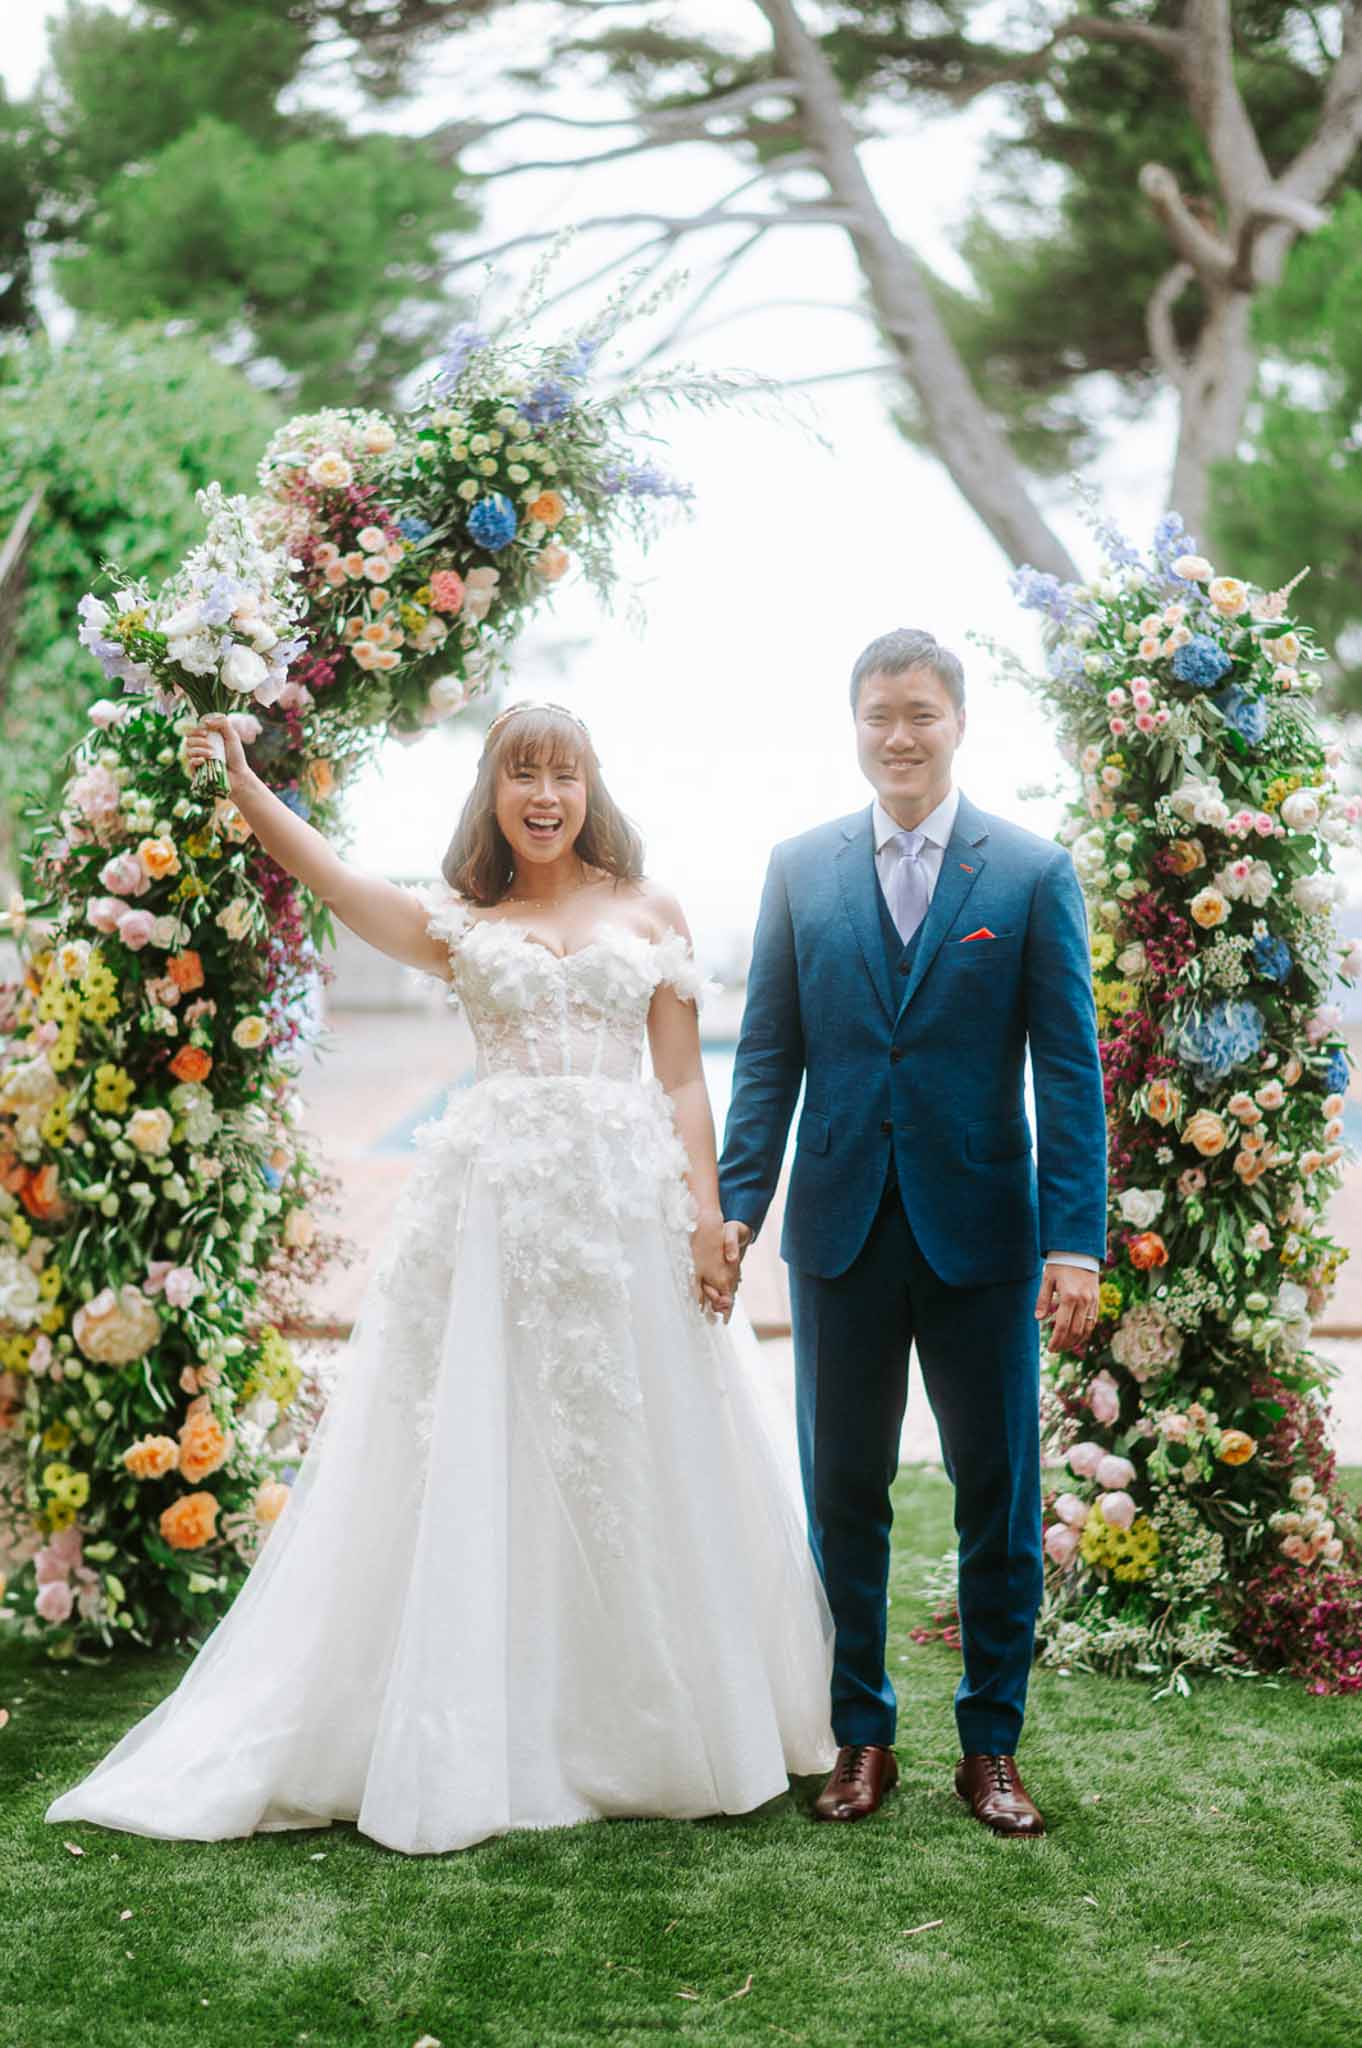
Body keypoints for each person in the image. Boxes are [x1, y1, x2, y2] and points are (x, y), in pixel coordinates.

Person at [45, 701, 835, 1855]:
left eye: (564, 772)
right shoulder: (460, 918)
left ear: (591, 784)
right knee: (488, 1444)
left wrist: (710, 1221)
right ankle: (493, 1719)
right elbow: (329, 878)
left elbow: (680, 1086)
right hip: (497, 1221)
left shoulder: (649, 908)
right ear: (495, 792)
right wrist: (251, 788)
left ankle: (664, 1715)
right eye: (523, 774)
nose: (545, 794)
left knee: (639, 1445)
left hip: (628, 1215)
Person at [718, 630, 1107, 1838]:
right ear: (854, 723)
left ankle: (990, 1744)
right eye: (880, 712)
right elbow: (769, 1052)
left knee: (998, 1491)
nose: (900, 732)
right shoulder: (799, 868)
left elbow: (1071, 1070)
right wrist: (738, 1207)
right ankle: (861, 1734)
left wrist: (1074, 1239)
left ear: (958, 723)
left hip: (983, 1237)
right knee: (845, 1492)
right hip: (836, 1233)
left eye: (922, 713)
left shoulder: (1032, 873)